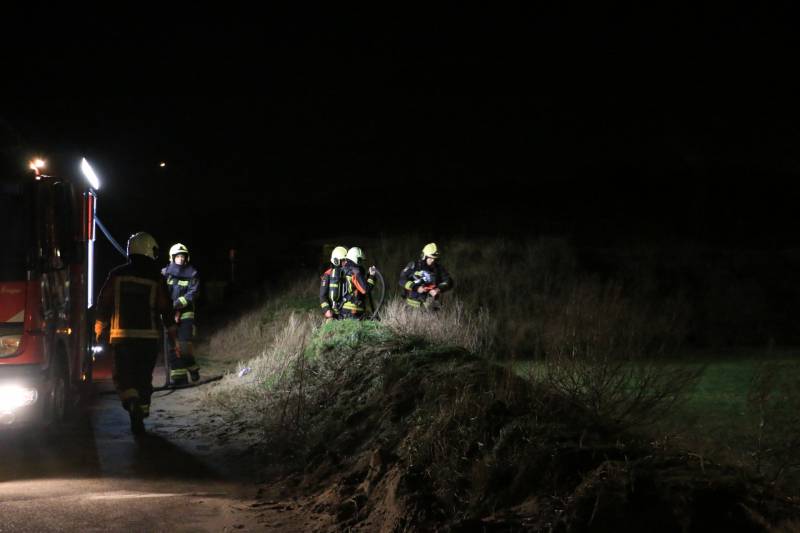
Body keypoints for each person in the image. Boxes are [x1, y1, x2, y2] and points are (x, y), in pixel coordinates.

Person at [95, 232, 173, 435]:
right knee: (143, 377)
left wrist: (99, 325)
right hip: (149, 338)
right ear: (149, 249)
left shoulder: (117, 274)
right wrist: (173, 332)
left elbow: (104, 301)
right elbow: (166, 306)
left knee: (123, 376)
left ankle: (132, 403)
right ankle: (142, 411)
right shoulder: (157, 278)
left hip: (121, 337)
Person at [161, 243, 201, 386]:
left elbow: (193, 293)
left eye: (183, 256)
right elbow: (160, 291)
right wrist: (166, 308)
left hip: (186, 313)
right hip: (169, 313)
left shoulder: (192, 273)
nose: (181, 259)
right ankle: (179, 378)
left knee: (183, 345)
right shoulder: (165, 273)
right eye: (178, 256)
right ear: (172, 258)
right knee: (172, 345)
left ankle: (192, 367)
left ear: (186, 257)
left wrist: (178, 304)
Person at [399, 242, 454, 309]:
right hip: (411, 305)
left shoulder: (439, 268)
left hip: (431, 307)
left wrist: (438, 289)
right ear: (424, 256)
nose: (432, 260)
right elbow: (402, 280)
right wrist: (416, 288)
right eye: (430, 258)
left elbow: (449, 281)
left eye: (434, 259)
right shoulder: (414, 266)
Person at [339, 247, 377, 320]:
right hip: (354, 310)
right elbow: (365, 289)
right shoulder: (355, 271)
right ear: (355, 258)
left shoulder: (343, 269)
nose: (360, 263)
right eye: (359, 260)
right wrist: (372, 276)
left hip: (342, 310)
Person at [320, 245, 348, 321]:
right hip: (334, 313)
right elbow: (323, 296)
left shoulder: (349, 273)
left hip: (347, 312)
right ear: (336, 261)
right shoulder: (328, 275)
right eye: (343, 260)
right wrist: (327, 310)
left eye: (347, 260)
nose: (346, 262)